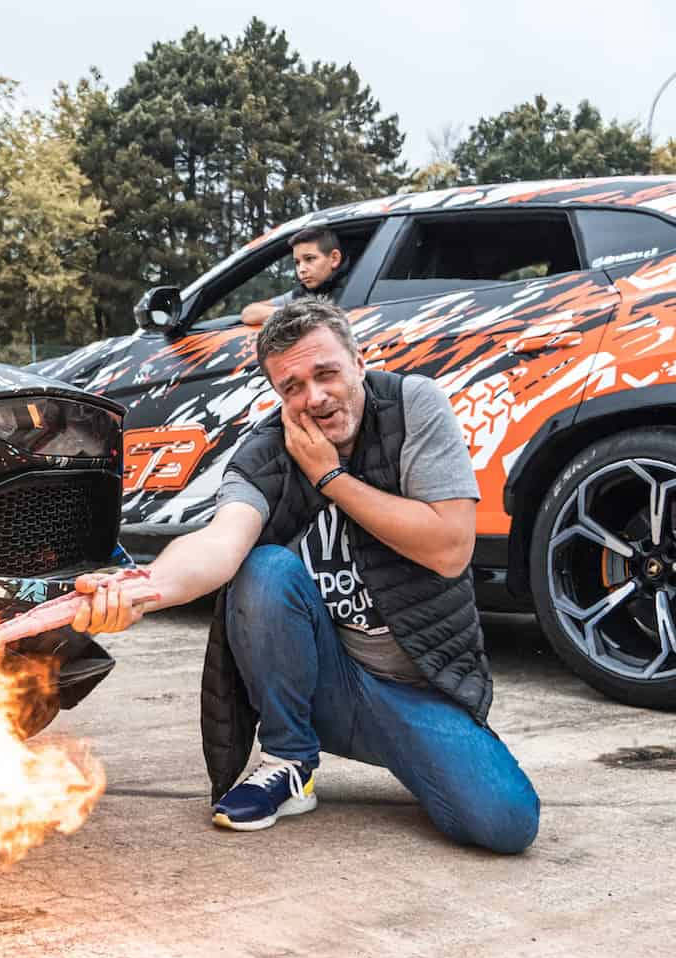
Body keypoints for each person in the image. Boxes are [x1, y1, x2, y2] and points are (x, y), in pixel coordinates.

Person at [73, 298, 540, 854]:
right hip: (326, 681)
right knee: (263, 568)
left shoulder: (414, 406)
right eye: (292, 386)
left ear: (359, 363)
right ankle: (290, 759)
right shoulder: (267, 451)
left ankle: (416, 749)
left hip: (420, 687)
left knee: (507, 823)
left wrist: (331, 477)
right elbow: (221, 544)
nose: (314, 398)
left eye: (326, 374)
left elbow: (450, 548)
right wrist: (143, 588)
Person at [239, 227, 347, 326]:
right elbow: (248, 313)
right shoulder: (303, 292)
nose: (302, 269)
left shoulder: (353, 286)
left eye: (309, 259)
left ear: (334, 259)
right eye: (297, 262)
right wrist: (295, 312)